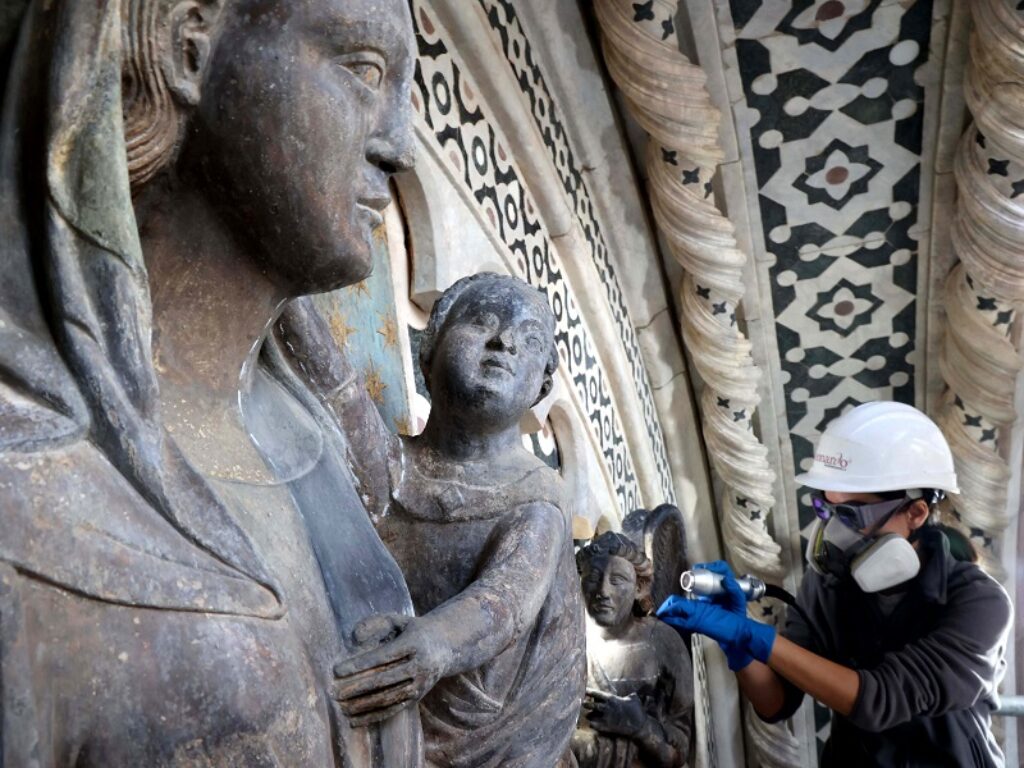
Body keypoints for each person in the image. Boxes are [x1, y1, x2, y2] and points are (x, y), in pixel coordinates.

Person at [0, 0, 421, 764]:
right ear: (187, 46)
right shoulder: (24, 481)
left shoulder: (321, 450)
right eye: (365, 70)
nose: (401, 145)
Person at [290, 273, 585, 767]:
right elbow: (332, 386)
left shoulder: (537, 498)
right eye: (480, 322)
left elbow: (505, 601)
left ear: (542, 386)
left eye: (530, 340)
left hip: (489, 743)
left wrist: (435, 644)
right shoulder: (394, 466)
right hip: (381, 693)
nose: (504, 341)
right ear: (429, 351)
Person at [658, 402, 1013, 767]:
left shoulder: (980, 604)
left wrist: (758, 637)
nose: (834, 532)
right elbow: (776, 702)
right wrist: (741, 650)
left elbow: (882, 699)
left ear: (916, 513)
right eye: (827, 509)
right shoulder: (828, 586)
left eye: (852, 513)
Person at [572, 532, 693, 768]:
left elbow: (679, 751)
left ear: (638, 587)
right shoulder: (566, 636)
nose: (603, 591)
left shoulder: (663, 642)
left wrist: (640, 727)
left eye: (617, 580)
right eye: (593, 577)